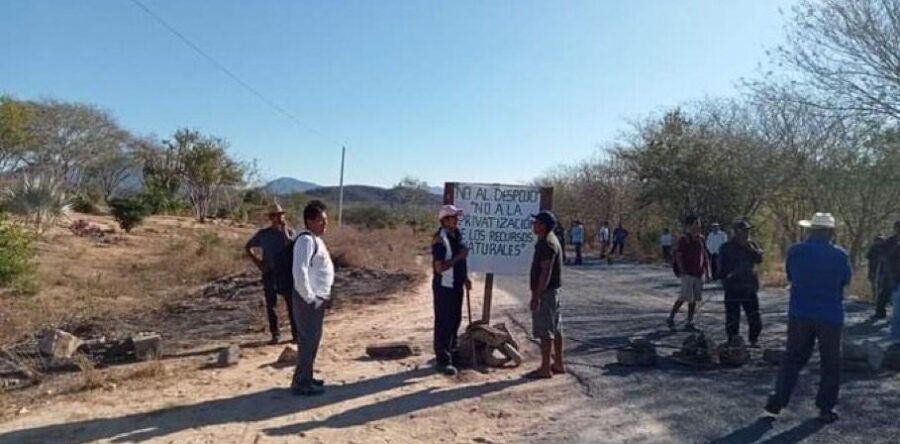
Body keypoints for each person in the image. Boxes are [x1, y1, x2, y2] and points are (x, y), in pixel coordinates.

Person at [765, 213, 851, 424]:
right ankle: (825, 407)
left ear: (811, 230)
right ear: (830, 232)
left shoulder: (796, 251)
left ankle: (779, 399)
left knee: (792, 358)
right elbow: (845, 280)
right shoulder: (840, 255)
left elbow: (791, 276)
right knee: (830, 363)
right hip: (829, 314)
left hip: (800, 312)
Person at [291, 200, 335, 396]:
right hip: (308, 300)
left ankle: (306, 377)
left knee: (312, 340)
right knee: (308, 340)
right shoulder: (306, 241)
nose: (325, 224)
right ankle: (302, 383)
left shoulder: (315, 240)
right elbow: (299, 272)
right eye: (321, 221)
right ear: (309, 221)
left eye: (326, 221)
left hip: (316, 298)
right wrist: (310, 298)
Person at [245, 204, 297, 345]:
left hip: (286, 272)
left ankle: (296, 335)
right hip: (270, 271)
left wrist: (284, 229)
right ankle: (275, 334)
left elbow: (291, 246)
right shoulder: (263, 234)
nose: (280, 217)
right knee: (271, 304)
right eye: (276, 215)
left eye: (281, 214)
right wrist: (259, 263)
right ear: (270, 217)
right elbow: (248, 246)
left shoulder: (290, 232)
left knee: (291, 304)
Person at [431, 204, 472, 376]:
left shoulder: (456, 235)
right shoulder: (440, 239)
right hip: (444, 287)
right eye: (453, 217)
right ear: (444, 220)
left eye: (456, 217)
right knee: (444, 323)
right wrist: (459, 257)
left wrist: (465, 278)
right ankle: (442, 360)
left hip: (456, 285)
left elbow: (460, 262)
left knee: (455, 320)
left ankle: (452, 353)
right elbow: (440, 267)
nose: (456, 220)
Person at [525, 210, 565, 379]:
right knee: (556, 328)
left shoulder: (546, 244)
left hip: (546, 293)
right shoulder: (551, 239)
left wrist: (537, 295)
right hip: (553, 291)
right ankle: (558, 363)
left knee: (545, 331)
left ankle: (545, 368)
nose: (533, 225)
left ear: (543, 225)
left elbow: (545, 271)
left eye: (536, 222)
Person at [718, 220, 764, 347]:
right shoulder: (726, 248)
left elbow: (759, 259)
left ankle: (754, 340)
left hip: (749, 288)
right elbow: (720, 270)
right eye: (743, 231)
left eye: (747, 231)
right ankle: (733, 340)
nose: (746, 233)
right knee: (732, 318)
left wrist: (751, 249)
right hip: (733, 289)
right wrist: (726, 277)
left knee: (755, 318)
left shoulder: (752, 244)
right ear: (736, 232)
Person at [667, 215, 710, 332]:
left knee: (694, 299)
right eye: (696, 223)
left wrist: (707, 272)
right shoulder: (683, 239)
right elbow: (679, 256)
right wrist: (682, 271)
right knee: (684, 297)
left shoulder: (701, 239)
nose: (698, 226)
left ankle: (689, 321)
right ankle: (671, 317)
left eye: (699, 224)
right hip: (688, 273)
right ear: (689, 225)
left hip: (699, 273)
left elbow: (704, 255)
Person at [881, 222, 900, 350]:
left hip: (895, 279)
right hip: (897, 280)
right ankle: (895, 339)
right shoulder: (893, 244)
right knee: (897, 313)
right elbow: (886, 259)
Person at [875, 222, 900, 319]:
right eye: (897, 228)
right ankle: (880, 312)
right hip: (890, 270)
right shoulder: (890, 241)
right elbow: (883, 255)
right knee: (885, 292)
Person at [866, 235, 887, 319]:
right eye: (877, 240)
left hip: (883, 271)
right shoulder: (873, 248)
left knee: (880, 287)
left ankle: (879, 302)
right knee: (874, 285)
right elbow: (869, 258)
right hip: (873, 269)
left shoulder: (885, 248)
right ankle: (874, 299)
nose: (878, 242)